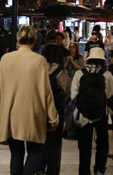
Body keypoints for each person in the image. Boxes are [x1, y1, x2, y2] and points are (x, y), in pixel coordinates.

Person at [0, 25, 59, 175]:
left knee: (16, 153)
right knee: (36, 151)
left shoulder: (6, 59)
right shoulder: (39, 60)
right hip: (32, 113)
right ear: (34, 40)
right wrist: (53, 116)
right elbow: (46, 91)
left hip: (11, 112)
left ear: (17, 39)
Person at [71, 47, 113, 175]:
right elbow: (110, 92)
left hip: (83, 115)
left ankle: (84, 171)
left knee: (84, 146)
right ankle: (100, 169)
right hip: (101, 113)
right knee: (102, 143)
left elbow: (74, 93)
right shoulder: (106, 74)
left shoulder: (80, 73)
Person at [42, 43, 71, 175]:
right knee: (54, 145)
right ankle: (52, 171)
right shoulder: (59, 72)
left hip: (38, 112)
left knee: (39, 143)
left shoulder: (39, 69)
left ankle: (38, 168)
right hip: (55, 113)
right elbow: (68, 90)